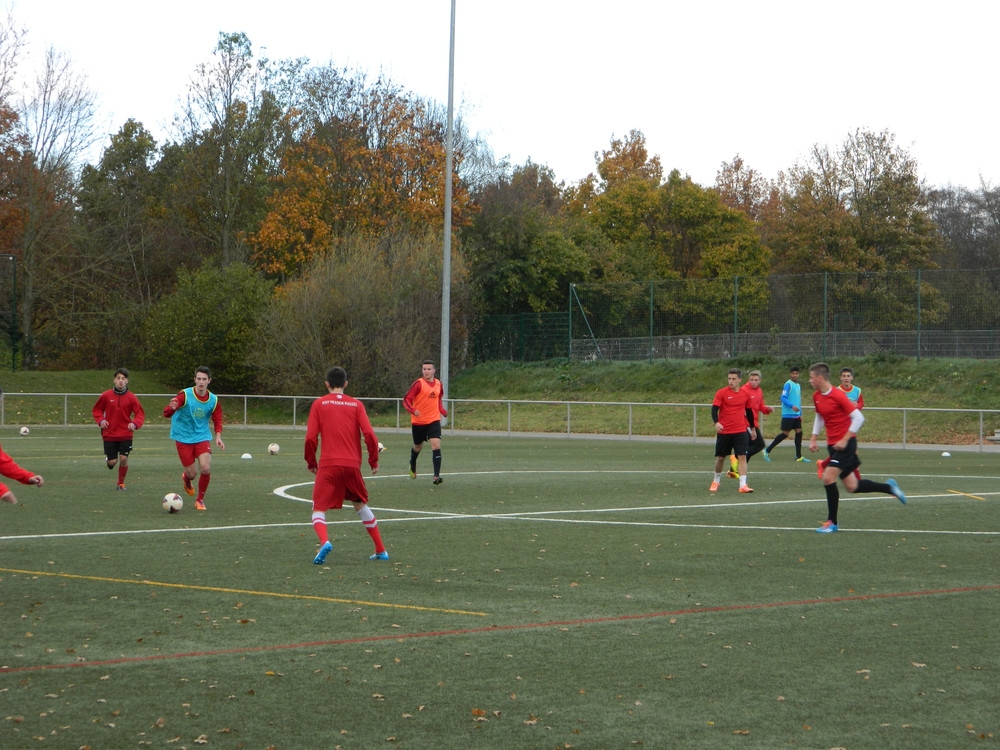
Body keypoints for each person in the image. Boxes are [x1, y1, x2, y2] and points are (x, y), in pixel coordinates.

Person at [807, 362, 906, 533]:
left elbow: (859, 418)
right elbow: (820, 417)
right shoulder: (817, 396)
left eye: (811, 377)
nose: (809, 381)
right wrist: (813, 438)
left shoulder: (838, 395)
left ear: (820, 378)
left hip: (846, 445)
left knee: (828, 478)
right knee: (853, 486)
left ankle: (832, 522)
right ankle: (889, 487)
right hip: (833, 445)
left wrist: (845, 439)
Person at [305, 366, 388, 564]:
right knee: (360, 505)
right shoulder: (356, 404)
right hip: (352, 466)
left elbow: (310, 438)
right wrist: (373, 460)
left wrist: (311, 462)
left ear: (327, 384)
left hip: (328, 465)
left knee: (318, 508)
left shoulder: (319, 404)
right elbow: (370, 435)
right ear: (346, 384)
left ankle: (324, 542)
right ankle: (381, 550)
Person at [163, 366, 224, 511]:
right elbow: (166, 413)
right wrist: (172, 408)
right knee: (192, 474)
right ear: (195, 379)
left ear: (209, 381)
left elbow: (218, 419)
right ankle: (186, 478)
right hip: (183, 437)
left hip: (202, 437)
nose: (201, 382)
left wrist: (218, 436)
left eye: (204, 379)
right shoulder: (184, 395)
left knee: (205, 468)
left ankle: (200, 500)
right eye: (199, 379)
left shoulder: (213, 400)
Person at [92, 367, 145, 491]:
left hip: (126, 434)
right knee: (112, 463)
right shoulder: (106, 396)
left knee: (124, 458)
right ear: (114, 380)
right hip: (109, 434)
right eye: (118, 378)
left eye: (123, 378)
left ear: (127, 381)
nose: (121, 381)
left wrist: (135, 424)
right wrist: (101, 421)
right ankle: (109, 459)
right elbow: (97, 410)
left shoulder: (132, 397)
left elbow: (140, 414)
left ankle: (120, 484)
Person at [710, 368, 756, 494]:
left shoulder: (745, 394)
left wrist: (752, 428)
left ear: (739, 380)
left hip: (740, 431)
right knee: (721, 458)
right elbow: (714, 409)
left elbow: (749, 412)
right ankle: (716, 481)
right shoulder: (721, 393)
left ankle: (743, 485)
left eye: (734, 379)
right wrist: (716, 422)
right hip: (724, 431)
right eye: (729, 378)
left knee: (742, 456)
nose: (731, 381)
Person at [403, 359, 448, 485]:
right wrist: (412, 410)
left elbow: (438, 399)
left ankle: (436, 476)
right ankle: (412, 463)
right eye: (424, 369)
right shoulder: (418, 384)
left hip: (434, 420)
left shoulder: (439, 384)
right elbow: (406, 399)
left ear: (434, 370)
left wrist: (442, 410)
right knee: (418, 446)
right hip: (419, 422)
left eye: (429, 369)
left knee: (436, 445)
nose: (426, 371)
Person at [817, 367, 864, 478]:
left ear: (852, 377)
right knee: (852, 452)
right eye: (844, 376)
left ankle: (823, 464)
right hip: (841, 425)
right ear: (840, 378)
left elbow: (861, 403)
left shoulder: (857, 390)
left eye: (848, 376)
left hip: (852, 424)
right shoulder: (836, 391)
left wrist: (857, 406)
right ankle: (858, 481)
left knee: (846, 451)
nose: (846, 378)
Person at [729, 369, 772, 477]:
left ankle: (734, 470)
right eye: (751, 379)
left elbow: (760, 406)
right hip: (745, 424)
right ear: (748, 379)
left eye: (756, 380)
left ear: (760, 381)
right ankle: (736, 461)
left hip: (753, 424)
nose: (753, 382)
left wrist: (767, 409)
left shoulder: (759, 391)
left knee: (747, 448)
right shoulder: (744, 390)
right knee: (759, 444)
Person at [763, 366, 810, 463]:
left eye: (796, 373)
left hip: (796, 415)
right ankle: (767, 450)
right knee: (785, 434)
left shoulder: (798, 385)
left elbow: (798, 400)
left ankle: (798, 456)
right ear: (790, 374)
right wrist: (792, 406)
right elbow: (783, 398)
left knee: (799, 432)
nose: (795, 375)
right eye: (793, 373)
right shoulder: (788, 384)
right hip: (788, 414)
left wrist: (800, 413)